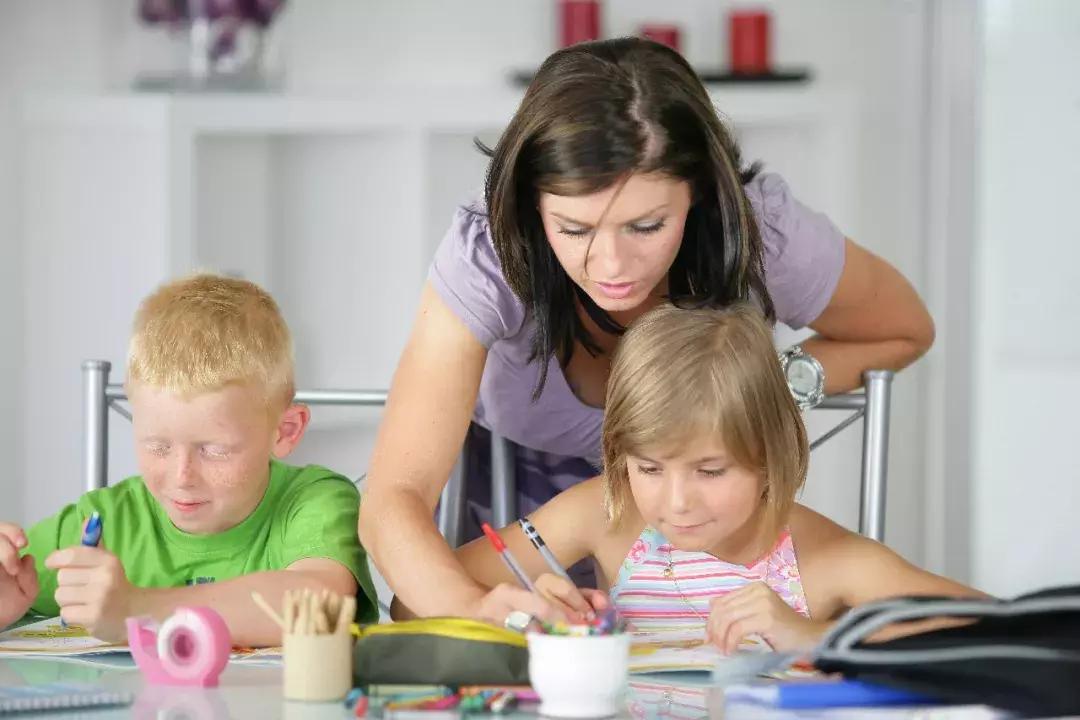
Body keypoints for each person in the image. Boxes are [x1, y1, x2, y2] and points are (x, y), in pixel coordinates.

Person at [361, 37, 935, 625]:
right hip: (519, 526)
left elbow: (902, 331)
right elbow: (392, 501)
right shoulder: (489, 257)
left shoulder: (761, 230)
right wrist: (476, 610)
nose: (610, 267)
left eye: (646, 225)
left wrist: (754, 391)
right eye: (574, 228)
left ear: (701, 196)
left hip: (711, 561)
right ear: (532, 207)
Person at [441, 303, 980, 652]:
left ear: (769, 454)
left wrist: (812, 637)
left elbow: (1010, 632)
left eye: (711, 470)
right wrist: (529, 615)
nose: (676, 502)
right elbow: (415, 601)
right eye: (649, 468)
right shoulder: (605, 513)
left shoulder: (825, 561)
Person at [0, 274, 378, 644]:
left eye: (214, 450)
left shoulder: (315, 501)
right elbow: (14, 584)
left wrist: (136, 608)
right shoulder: (108, 520)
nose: (182, 476)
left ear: (285, 431)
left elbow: (318, 604)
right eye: (157, 446)